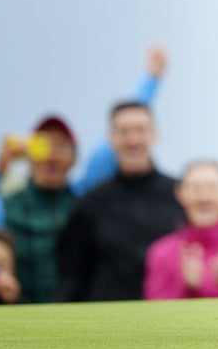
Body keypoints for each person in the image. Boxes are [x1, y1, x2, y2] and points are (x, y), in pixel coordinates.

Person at [0, 44, 169, 243]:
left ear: (73, 158)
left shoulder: (83, 199)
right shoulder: (6, 209)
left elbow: (121, 137)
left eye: (61, 147)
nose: (52, 155)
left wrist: (150, 80)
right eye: (43, 146)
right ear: (29, 155)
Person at [55, 101, 181, 301]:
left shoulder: (180, 195)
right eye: (123, 132)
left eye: (140, 130)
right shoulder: (90, 204)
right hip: (106, 319)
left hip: (172, 318)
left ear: (154, 135)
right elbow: (73, 274)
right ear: (111, 138)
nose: (132, 140)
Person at [144, 160, 218, 300]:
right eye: (195, 188)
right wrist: (188, 289)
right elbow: (153, 312)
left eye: (212, 188)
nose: (204, 198)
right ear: (180, 193)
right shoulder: (160, 252)